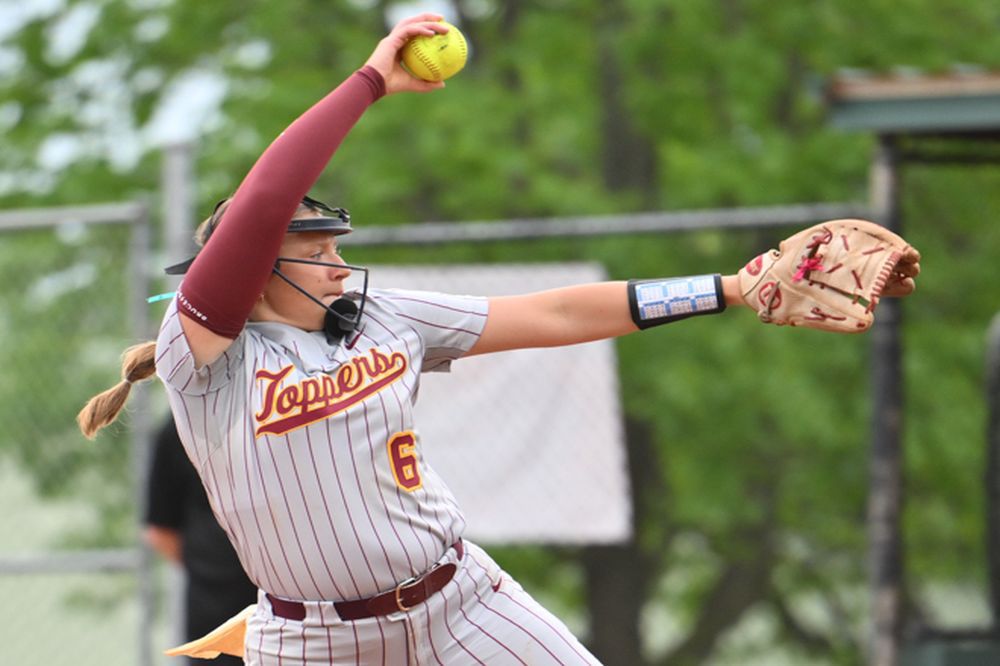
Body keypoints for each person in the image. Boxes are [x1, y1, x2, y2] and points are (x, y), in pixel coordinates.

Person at [77, 14, 920, 665]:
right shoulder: (206, 360)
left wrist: (727, 289)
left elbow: (553, 316)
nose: (340, 266)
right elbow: (265, 198)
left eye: (338, 248)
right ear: (256, 268)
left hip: (462, 604)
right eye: (317, 253)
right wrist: (372, 79)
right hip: (314, 643)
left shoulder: (382, 318)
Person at [144, 415, 259, 666]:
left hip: (285, 605)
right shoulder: (179, 426)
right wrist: (206, 567)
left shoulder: (277, 411)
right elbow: (160, 530)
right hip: (214, 605)